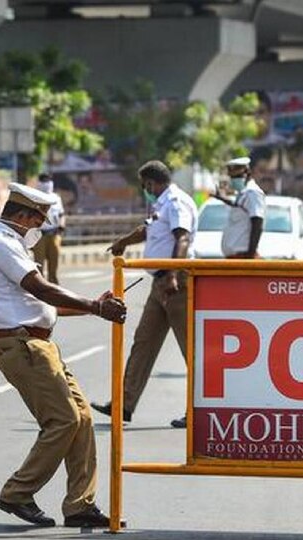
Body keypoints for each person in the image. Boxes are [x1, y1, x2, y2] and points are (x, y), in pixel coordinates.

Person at [0, 183, 127, 528]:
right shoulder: (1, 243)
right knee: (64, 420)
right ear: (23, 216)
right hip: (23, 346)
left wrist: (94, 308)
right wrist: (95, 306)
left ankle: (79, 505)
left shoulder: (12, 244)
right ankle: (17, 493)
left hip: (38, 345)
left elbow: (42, 303)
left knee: (84, 419)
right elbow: (40, 289)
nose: (38, 229)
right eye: (37, 221)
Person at [91, 160, 198, 429]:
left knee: (191, 349)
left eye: (145, 185)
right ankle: (123, 405)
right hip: (159, 283)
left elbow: (182, 238)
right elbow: (148, 230)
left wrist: (173, 272)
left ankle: (198, 409)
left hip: (177, 281)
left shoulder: (176, 202)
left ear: (152, 183)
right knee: (143, 343)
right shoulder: (161, 204)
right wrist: (123, 242)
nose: (145, 190)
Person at [220, 156, 266, 258]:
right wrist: (222, 198)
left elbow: (257, 223)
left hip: (243, 256)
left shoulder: (252, 192)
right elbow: (239, 207)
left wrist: (250, 255)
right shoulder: (243, 193)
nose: (233, 180)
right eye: (231, 177)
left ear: (247, 172)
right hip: (235, 257)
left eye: (236, 177)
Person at [32, 173, 65, 284]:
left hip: (54, 234)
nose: (46, 184)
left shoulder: (56, 198)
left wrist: (62, 225)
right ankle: (40, 290)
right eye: (43, 181)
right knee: (39, 265)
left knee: (54, 265)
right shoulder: (34, 197)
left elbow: (61, 214)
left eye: (48, 181)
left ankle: (55, 290)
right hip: (39, 234)